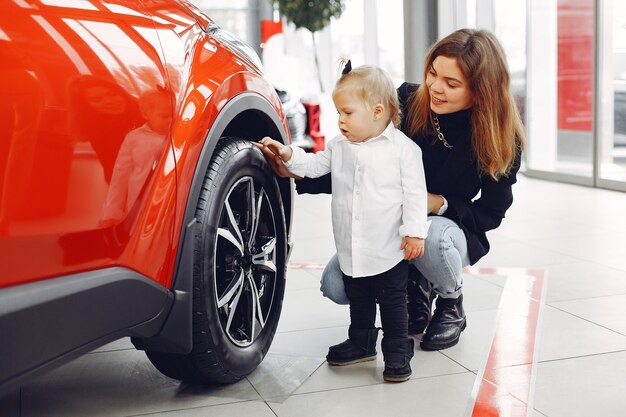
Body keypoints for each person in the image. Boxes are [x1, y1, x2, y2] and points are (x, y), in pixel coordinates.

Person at [259, 28, 526, 352]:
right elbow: (358, 164)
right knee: (335, 285)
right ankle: (415, 283)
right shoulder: (406, 101)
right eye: (432, 73)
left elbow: (491, 214)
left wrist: (438, 204)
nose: (436, 87)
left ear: (481, 90)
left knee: (431, 235)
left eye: (451, 83)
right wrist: (297, 173)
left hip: (448, 231)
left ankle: (451, 303)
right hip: (386, 224)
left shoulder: (499, 137)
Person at [257, 61, 430, 382]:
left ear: (378, 111)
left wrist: (415, 233)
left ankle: (397, 348)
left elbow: (416, 195)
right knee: (359, 295)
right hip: (352, 242)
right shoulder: (339, 146)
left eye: (347, 113)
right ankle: (361, 340)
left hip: (390, 245)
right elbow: (311, 165)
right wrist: (287, 153)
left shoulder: (404, 151)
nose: (340, 121)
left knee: (393, 303)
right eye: (338, 113)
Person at [100, 87, 172, 226]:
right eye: (164, 116)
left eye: (173, 116)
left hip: (168, 207)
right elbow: (120, 176)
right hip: (137, 206)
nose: (170, 120)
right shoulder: (134, 139)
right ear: (146, 114)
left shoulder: (177, 138)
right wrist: (112, 212)